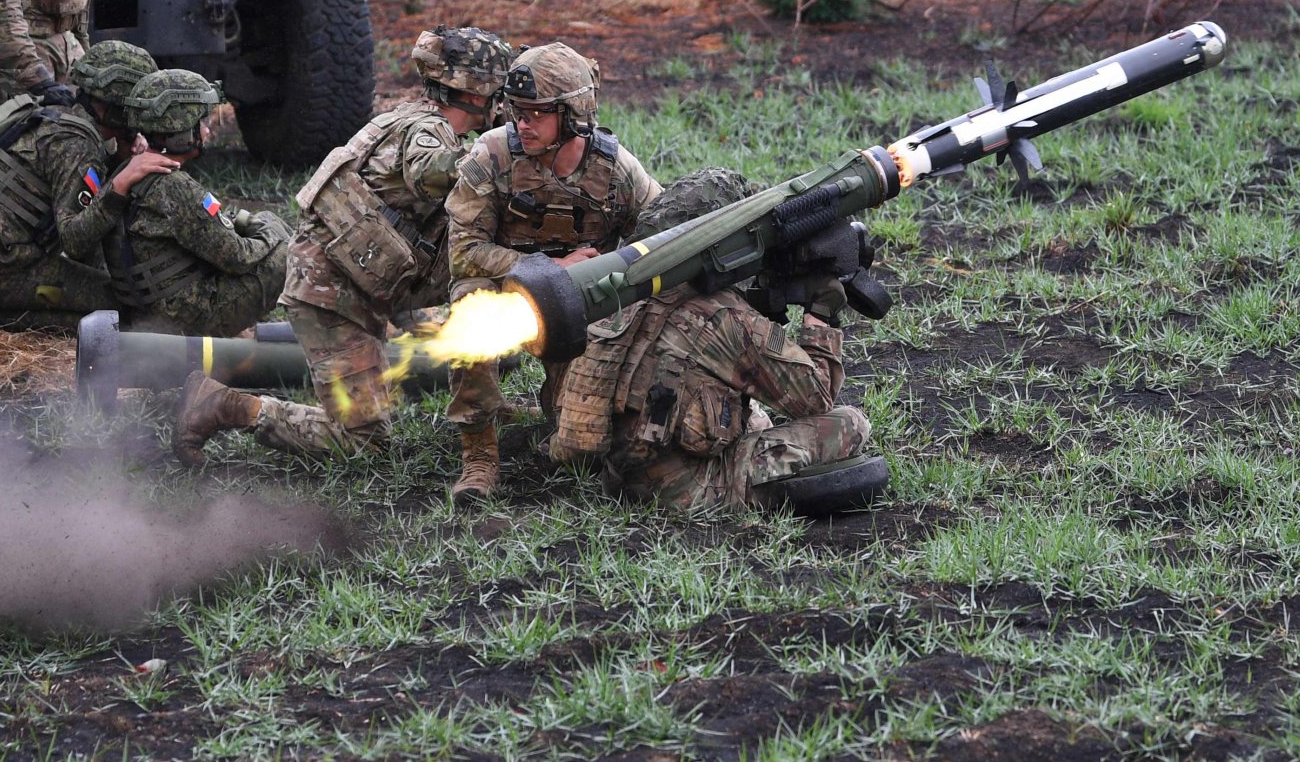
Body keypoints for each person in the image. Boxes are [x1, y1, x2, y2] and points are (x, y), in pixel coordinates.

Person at [173, 26, 514, 465]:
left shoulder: (415, 117)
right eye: (500, 93)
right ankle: (225, 405)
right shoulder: (426, 133)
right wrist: (500, 153)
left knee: (479, 301)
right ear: (476, 91)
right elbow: (429, 171)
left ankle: (484, 404)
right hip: (333, 300)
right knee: (364, 443)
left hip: (373, 284)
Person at [548, 168, 882, 515]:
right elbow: (816, 397)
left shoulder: (619, 293)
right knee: (849, 423)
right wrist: (822, 314)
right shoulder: (722, 316)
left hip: (618, 475)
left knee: (755, 416)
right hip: (682, 491)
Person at [439, 42, 662, 502]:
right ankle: (479, 453)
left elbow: (662, 232)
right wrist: (549, 268)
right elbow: (463, 251)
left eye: (537, 113)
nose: (523, 123)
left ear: (574, 114)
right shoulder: (493, 155)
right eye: (517, 111)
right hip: (503, 296)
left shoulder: (616, 171)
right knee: (468, 311)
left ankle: (558, 413)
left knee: (581, 443)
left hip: (579, 312)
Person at [0, 39, 183, 322]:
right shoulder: (76, 144)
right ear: (113, 106)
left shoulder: (64, 114)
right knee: (126, 310)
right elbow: (76, 241)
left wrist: (121, 158)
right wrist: (121, 185)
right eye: (136, 107)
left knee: (113, 290)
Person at [104, 69, 290, 337]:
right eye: (202, 122)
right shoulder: (175, 186)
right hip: (187, 319)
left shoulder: (128, 171)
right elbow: (239, 257)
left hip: (148, 313)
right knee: (293, 256)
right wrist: (272, 229)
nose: (207, 130)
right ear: (181, 133)